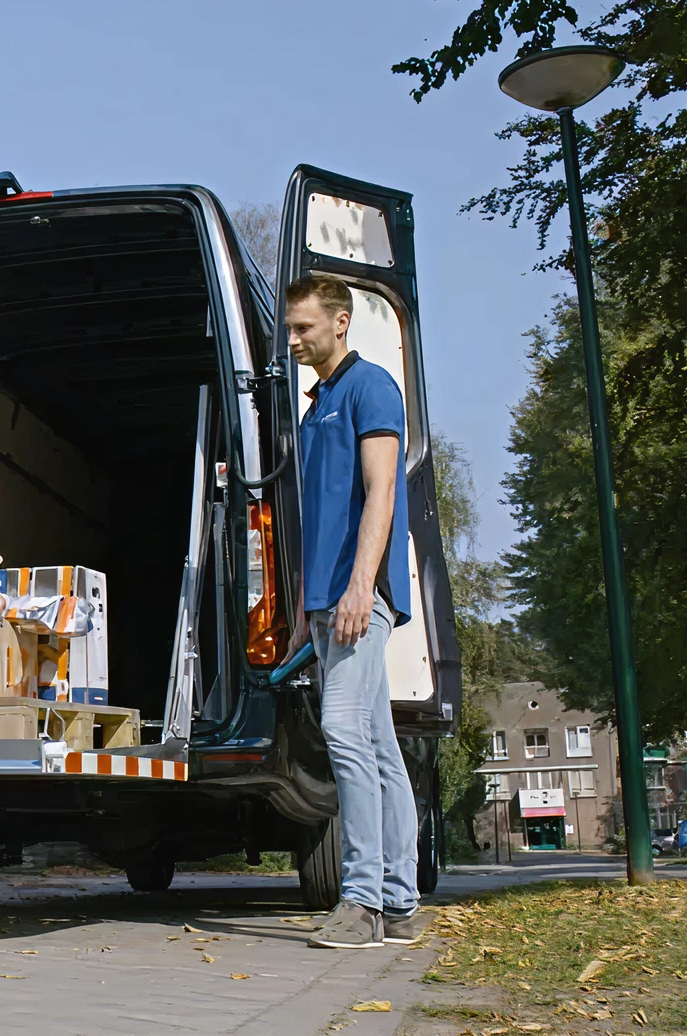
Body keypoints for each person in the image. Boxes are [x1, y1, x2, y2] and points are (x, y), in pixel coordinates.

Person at [283, 273, 433, 949]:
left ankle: (363, 900)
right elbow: (317, 518)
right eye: (290, 328)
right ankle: (399, 905)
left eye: (303, 327)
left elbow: (381, 493)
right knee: (377, 746)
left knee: (343, 730)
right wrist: (302, 605)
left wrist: (359, 587)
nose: (293, 339)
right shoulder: (318, 406)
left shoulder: (371, 387)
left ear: (340, 322)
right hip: (324, 601)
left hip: (357, 598)